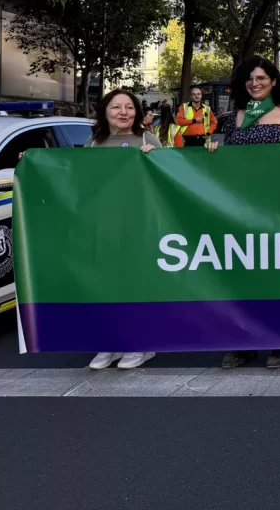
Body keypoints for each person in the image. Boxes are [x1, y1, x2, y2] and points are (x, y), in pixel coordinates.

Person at [206, 56, 280, 371]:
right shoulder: (230, 118)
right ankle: (244, 342)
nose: (256, 83)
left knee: (277, 278)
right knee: (242, 278)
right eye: (250, 79)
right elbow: (218, 162)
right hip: (240, 213)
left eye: (262, 78)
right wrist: (212, 150)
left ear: (274, 82)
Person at [86, 89, 162, 371]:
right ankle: (110, 341)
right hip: (105, 226)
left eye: (129, 107)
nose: (123, 113)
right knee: (107, 285)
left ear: (137, 113)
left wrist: (155, 158)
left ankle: (140, 343)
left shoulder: (147, 139)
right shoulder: (94, 143)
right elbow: (79, 179)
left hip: (139, 225)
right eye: (116, 107)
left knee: (136, 283)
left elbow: (170, 179)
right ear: (105, 111)